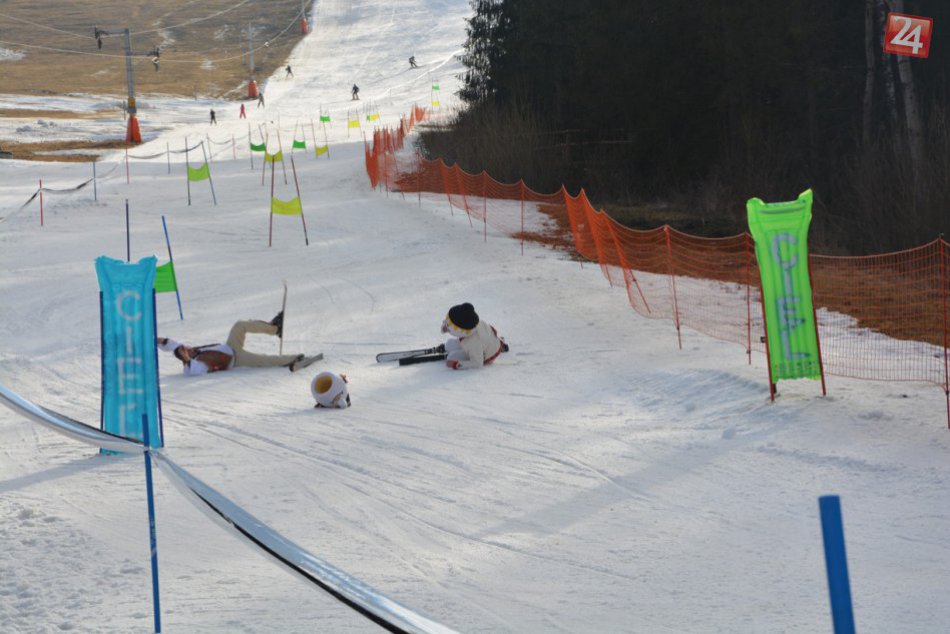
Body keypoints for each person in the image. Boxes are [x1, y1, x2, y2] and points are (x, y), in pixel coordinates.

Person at [158, 312, 312, 375]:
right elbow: (190, 366)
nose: (188, 348)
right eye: (186, 351)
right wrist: (186, 358)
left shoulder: (192, 352)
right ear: (186, 358)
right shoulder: (194, 366)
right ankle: (293, 359)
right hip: (235, 360)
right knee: (264, 360)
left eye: (186, 348)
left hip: (231, 346)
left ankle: (274, 329)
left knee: (239, 325)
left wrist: (153, 340)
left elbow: (170, 344)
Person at [440, 303, 505, 370]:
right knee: (449, 345)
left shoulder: (475, 343)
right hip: (480, 339)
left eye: (449, 325)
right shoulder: (469, 326)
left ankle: (500, 346)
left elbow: (477, 363)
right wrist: (446, 328)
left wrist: (456, 364)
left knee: (452, 357)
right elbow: (451, 326)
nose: (446, 326)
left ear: (461, 329)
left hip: (488, 352)